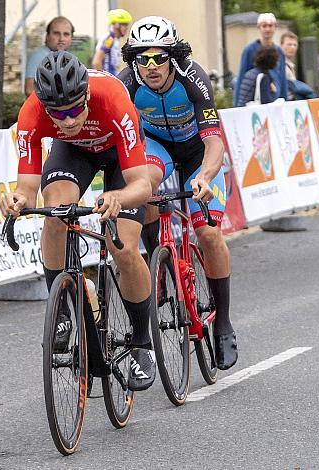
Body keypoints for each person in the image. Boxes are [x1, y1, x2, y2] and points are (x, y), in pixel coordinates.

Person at [1, 51, 157, 391]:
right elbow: (27, 187)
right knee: (55, 212)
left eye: (74, 110)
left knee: (124, 248)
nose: (68, 120)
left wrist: (117, 197)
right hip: (74, 153)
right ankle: (61, 309)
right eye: (58, 114)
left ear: (86, 95)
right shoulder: (32, 112)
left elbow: (141, 185)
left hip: (120, 155)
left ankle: (142, 341)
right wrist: (17, 201)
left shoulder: (112, 98)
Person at [119, 16, 237, 370]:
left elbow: (214, 140)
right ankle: (160, 266)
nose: (151, 66)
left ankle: (224, 325)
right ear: (133, 60)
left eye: (158, 57)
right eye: (142, 58)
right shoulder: (126, 84)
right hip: (157, 146)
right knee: (146, 184)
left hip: (198, 150)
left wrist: (205, 176)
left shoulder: (193, 78)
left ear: (173, 55)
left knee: (208, 234)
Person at [233, 12, 287, 107]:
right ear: (259, 28)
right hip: (256, 101)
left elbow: (282, 79)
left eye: (270, 26)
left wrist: (285, 102)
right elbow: (242, 78)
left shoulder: (279, 51)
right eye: (264, 26)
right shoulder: (249, 50)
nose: (267, 29)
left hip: (276, 102)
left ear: (275, 27)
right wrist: (237, 106)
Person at [24, 17, 74, 97]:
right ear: (47, 36)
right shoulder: (40, 56)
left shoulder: (69, 58)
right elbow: (29, 90)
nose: (61, 39)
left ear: (71, 38)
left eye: (66, 34)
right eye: (56, 33)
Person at [92, 8, 132, 76]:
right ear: (116, 25)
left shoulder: (115, 40)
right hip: (107, 80)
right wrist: (103, 79)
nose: (126, 28)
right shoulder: (109, 39)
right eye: (124, 24)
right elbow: (96, 62)